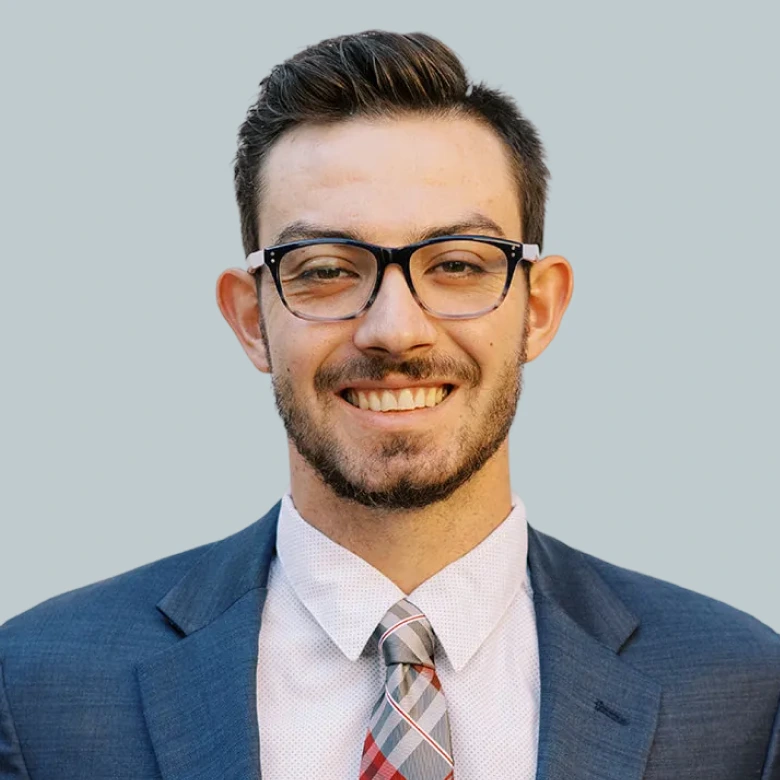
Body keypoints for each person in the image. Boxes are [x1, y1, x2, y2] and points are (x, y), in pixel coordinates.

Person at [0, 29, 778, 780]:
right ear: (251, 320)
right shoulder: (37, 689)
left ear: (539, 308)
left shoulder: (744, 690)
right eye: (326, 269)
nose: (395, 330)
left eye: (458, 264)